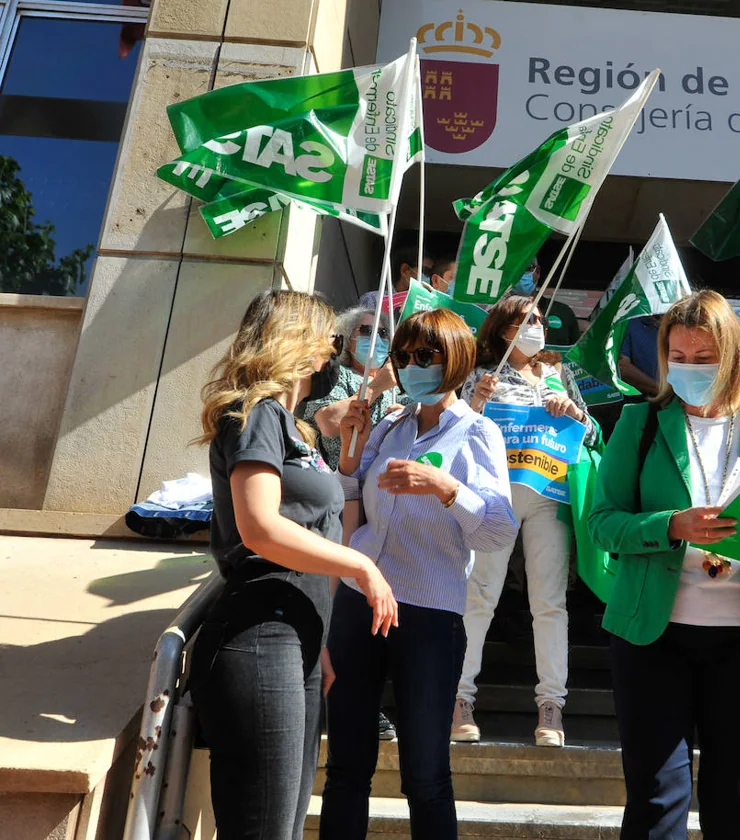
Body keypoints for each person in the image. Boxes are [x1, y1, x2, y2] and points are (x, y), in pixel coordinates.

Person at [589, 290, 740, 838]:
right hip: (654, 638)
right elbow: (601, 523)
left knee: (739, 805)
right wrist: (671, 525)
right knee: (655, 801)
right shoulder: (639, 424)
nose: (690, 369)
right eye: (678, 357)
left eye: (704, 358)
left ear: (733, 357)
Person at [189, 290, 399, 840]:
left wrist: (322, 639)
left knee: (281, 826)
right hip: (261, 631)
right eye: (326, 339)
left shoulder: (290, 425)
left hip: (298, 637)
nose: (333, 352)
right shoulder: (257, 414)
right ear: (295, 341)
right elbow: (259, 527)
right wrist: (361, 565)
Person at [320, 309, 518, 840]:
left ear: (453, 360)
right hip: (361, 602)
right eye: (403, 357)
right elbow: (352, 502)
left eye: (424, 357)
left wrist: (446, 488)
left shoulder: (479, 432)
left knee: (426, 773)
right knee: (345, 765)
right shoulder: (388, 424)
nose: (411, 366)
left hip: (430, 612)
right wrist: (348, 455)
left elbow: (499, 532)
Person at [455, 295, 594, 747]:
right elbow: (454, 432)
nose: (537, 326)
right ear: (502, 330)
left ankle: (551, 707)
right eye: (526, 320)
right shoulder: (482, 375)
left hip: (549, 498)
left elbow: (590, 433)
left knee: (550, 603)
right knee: (479, 597)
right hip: (495, 498)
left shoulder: (560, 372)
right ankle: (460, 698)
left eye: (539, 320)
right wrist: (475, 402)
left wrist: (573, 412)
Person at [300, 306, 404, 472]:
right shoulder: (337, 374)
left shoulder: (399, 387)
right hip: (344, 480)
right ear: (348, 340)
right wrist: (375, 387)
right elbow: (328, 423)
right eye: (367, 330)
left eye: (383, 333)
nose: (376, 337)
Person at [514, 257, 582, 346]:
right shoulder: (498, 314)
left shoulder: (563, 312)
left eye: (525, 269)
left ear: (537, 271)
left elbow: (575, 355)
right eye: (513, 272)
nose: (518, 275)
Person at [617, 314, 661, 398]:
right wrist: (660, 389)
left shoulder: (679, 324)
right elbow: (623, 368)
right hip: (644, 401)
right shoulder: (629, 323)